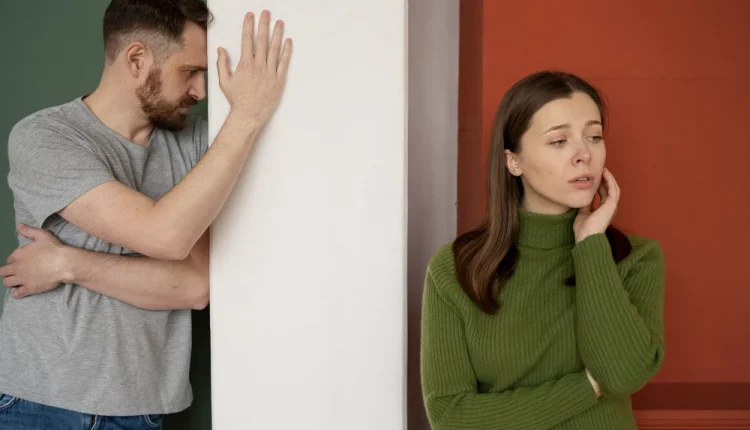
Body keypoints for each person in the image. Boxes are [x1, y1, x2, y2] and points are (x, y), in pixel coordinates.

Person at [0, 0, 292, 428]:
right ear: (137, 59)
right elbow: (165, 236)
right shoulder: (45, 137)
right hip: (37, 402)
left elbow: (193, 286)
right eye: (189, 71)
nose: (201, 91)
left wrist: (68, 263)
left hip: (140, 411)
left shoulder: (198, 146)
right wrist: (246, 114)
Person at [420, 70, 665, 429]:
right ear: (513, 161)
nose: (584, 154)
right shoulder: (456, 269)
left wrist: (591, 246)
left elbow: (624, 376)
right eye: (558, 141)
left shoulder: (635, 259)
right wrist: (587, 386)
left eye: (594, 136)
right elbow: (451, 418)